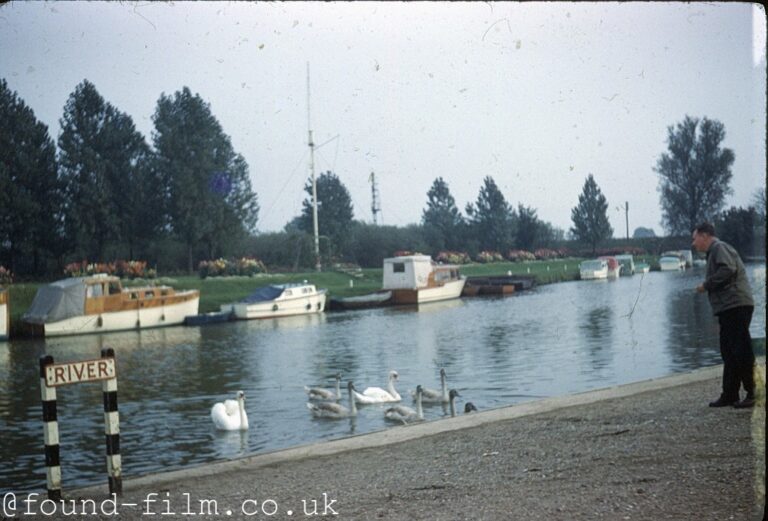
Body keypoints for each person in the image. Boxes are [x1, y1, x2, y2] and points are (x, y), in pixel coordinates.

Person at [692, 222, 755, 409]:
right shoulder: (715, 252)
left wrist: (707, 285)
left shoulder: (719, 248)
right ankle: (730, 394)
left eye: (695, 238)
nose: (694, 243)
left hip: (736, 305)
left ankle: (754, 392)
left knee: (740, 350)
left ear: (705, 236)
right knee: (729, 352)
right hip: (729, 308)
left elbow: (728, 269)